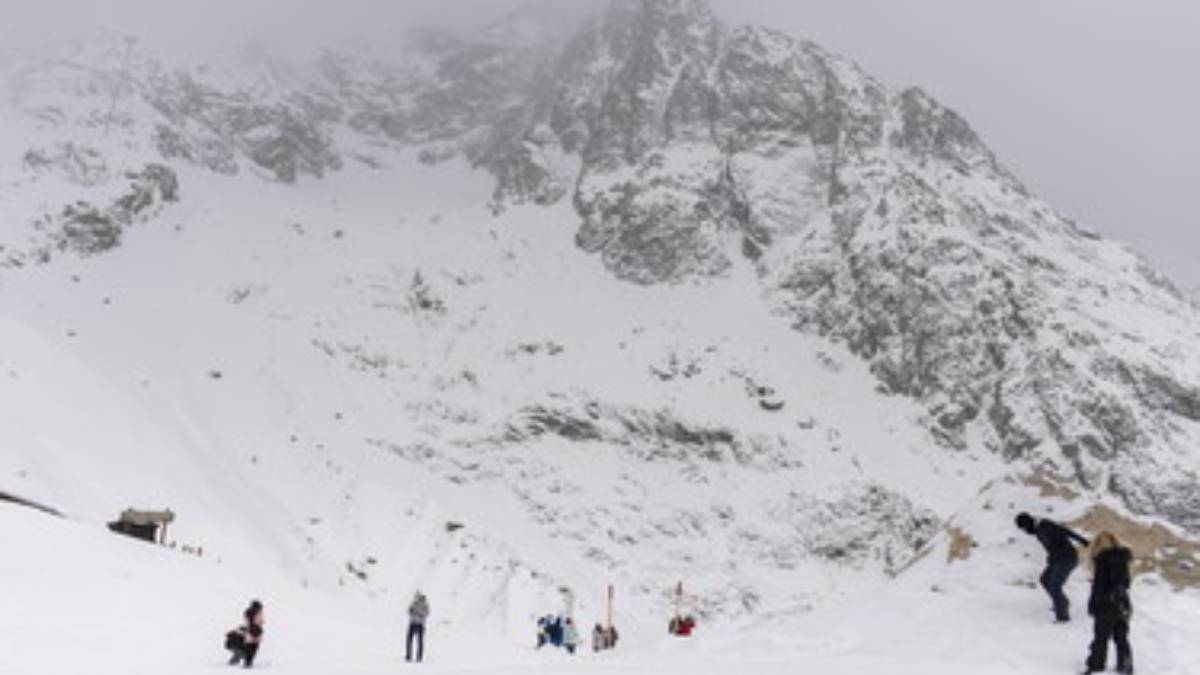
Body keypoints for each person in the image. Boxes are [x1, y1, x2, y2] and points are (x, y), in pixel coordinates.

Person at [1016, 512, 1090, 622]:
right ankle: (1062, 602)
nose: (1025, 532)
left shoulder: (1045, 524)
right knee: (1044, 579)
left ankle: (1063, 617)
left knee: (1055, 584)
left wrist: (1083, 541)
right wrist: (1050, 558)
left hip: (1068, 558)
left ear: (1027, 524)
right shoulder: (1037, 530)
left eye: (1023, 528)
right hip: (1057, 559)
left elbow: (1065, 531)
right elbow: (1051, 546)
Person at [1084, 532, 1134, 674]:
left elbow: (1098, 587)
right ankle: (1126, 667)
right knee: (1121, 637)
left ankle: (1096, 665)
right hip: (1123, 603)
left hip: (1106, 605)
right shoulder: (1122, 558)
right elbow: (1126, 583)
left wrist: (1092, 605)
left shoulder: (1102, 560)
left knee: (1100, 637)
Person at [229, 600, 265, 668]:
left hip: (250, 635)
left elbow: (248, 623)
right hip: (255, 635)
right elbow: (259, 623)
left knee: (249, 648)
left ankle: (243, 660)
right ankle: (247, 663)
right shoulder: (258, 614)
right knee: (252, 649)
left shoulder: (248, 613)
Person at [406, 591, 430, 663]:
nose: (416, 598)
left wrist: (419, 614)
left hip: (420, 624)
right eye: (415, 596)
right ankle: (408, 656)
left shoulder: (424, 604)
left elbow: (427, 612)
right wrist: (411, 611)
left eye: (417, 597)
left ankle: (419, 657)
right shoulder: (413, 602)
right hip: (412, 623)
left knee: (420, 641)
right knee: (409, 640)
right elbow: (409, 610)